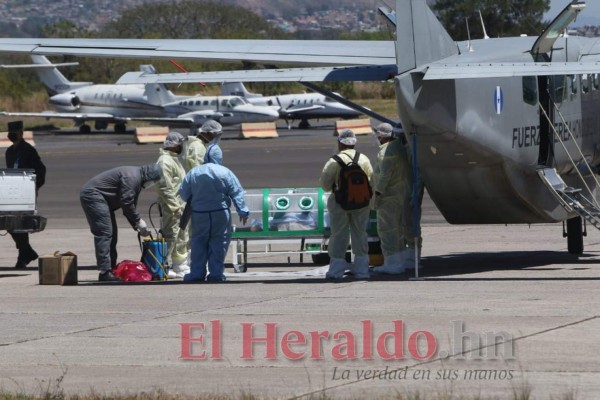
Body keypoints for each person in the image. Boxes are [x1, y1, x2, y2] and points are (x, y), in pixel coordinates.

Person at [80, 164, 162, 282]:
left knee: (113, 234)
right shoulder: (132, 178)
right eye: (153, 181)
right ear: (149, 177)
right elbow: (127, 203)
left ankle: (110, 268)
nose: (152, 184)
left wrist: (137, 226)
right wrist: (138, 221)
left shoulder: (136, 180)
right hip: (93, 196)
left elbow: (130, 207)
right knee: (105, 232)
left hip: (102, 199)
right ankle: (105, 272)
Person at [179, 148, 249, 283]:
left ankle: (196, 274)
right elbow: (237, 192)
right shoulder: (225, 172)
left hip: (199, 213)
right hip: (220, 212)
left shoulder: (194, 172)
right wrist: (242, 211)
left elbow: (183, 193)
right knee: (219, 243)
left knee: (198, 242)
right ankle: (216, 274)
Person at [319, 128, 373, 280]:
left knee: (339, 234)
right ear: (354, 143)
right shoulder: (364, 159)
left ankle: (336, 271)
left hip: (339, 203)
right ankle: (362, 270)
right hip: (362, 203)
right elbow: (372, 181)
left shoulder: (334, 161)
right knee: (360, 233)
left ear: (340, 144)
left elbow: (325, 185)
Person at [5, 120, 46, 269]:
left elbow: (41, 170)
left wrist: (33, 188)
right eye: (10, 132)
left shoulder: (28, 150)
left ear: (21, 133)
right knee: (9, 223)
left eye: (15, 132)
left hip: (25, 192)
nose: (12, 135)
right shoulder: (10, 152)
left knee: (20, 224)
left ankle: (24, 254)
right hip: (12, 193)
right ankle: (27, 251)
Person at [370, 123, 410, 275]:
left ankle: (392, 264)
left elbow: (384, 176)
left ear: (383, 136)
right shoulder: (400, 149)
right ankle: (399, 261)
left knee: (387, 231)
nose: (378, 138)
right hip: (400, 195)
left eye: (379, 135)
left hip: (388, 197)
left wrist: (378, 193)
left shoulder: (386, 152)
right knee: (398, 229)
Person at [156, 132, 189, 278]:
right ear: (175, 146)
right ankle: (161, 266)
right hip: (172, 208)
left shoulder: (174, 160)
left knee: (181, 236)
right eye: (181, 144)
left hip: (180, 206)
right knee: (170, 236)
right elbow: (165, 187)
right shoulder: (165, 162)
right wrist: (174, 207)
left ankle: (180, 265)